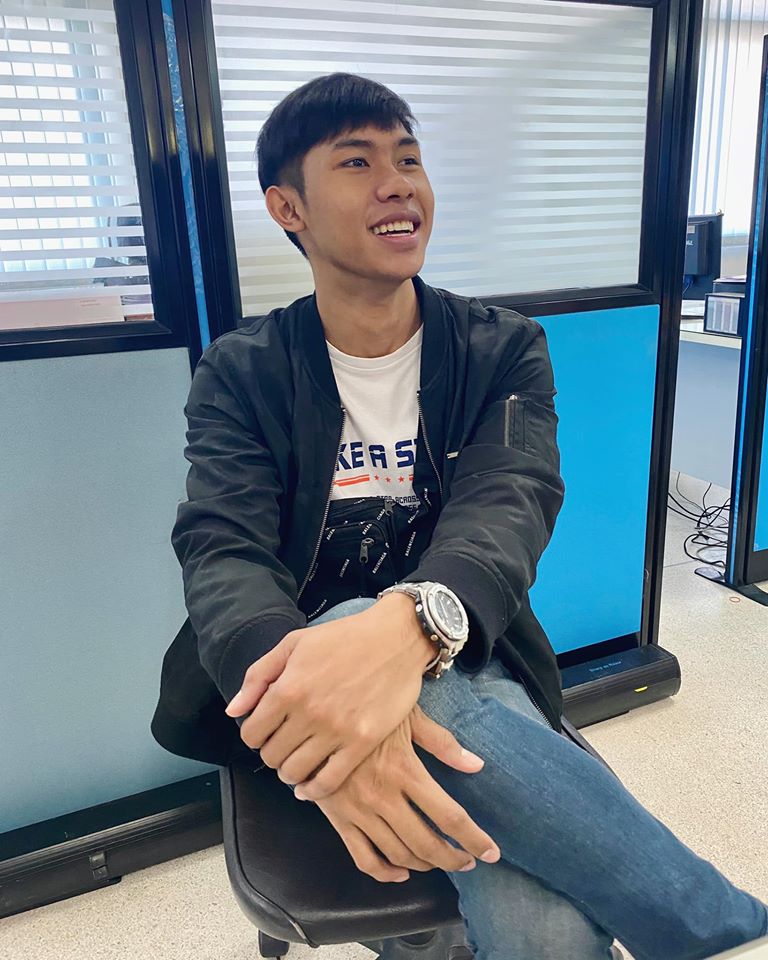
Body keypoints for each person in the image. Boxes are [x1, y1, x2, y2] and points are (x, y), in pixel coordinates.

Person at [152, 73, 768, 960]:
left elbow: (511, 500)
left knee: (544, 926)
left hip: (462, 653)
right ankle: (719, 930)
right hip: (289, 668)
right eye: (357, 163)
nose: (397, 184)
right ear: (288, 208)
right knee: (352, 626)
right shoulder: (242, 371)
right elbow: (223, 551)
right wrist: (309, 714)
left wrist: (405, 627)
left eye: (408, 160)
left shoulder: (499, 347)